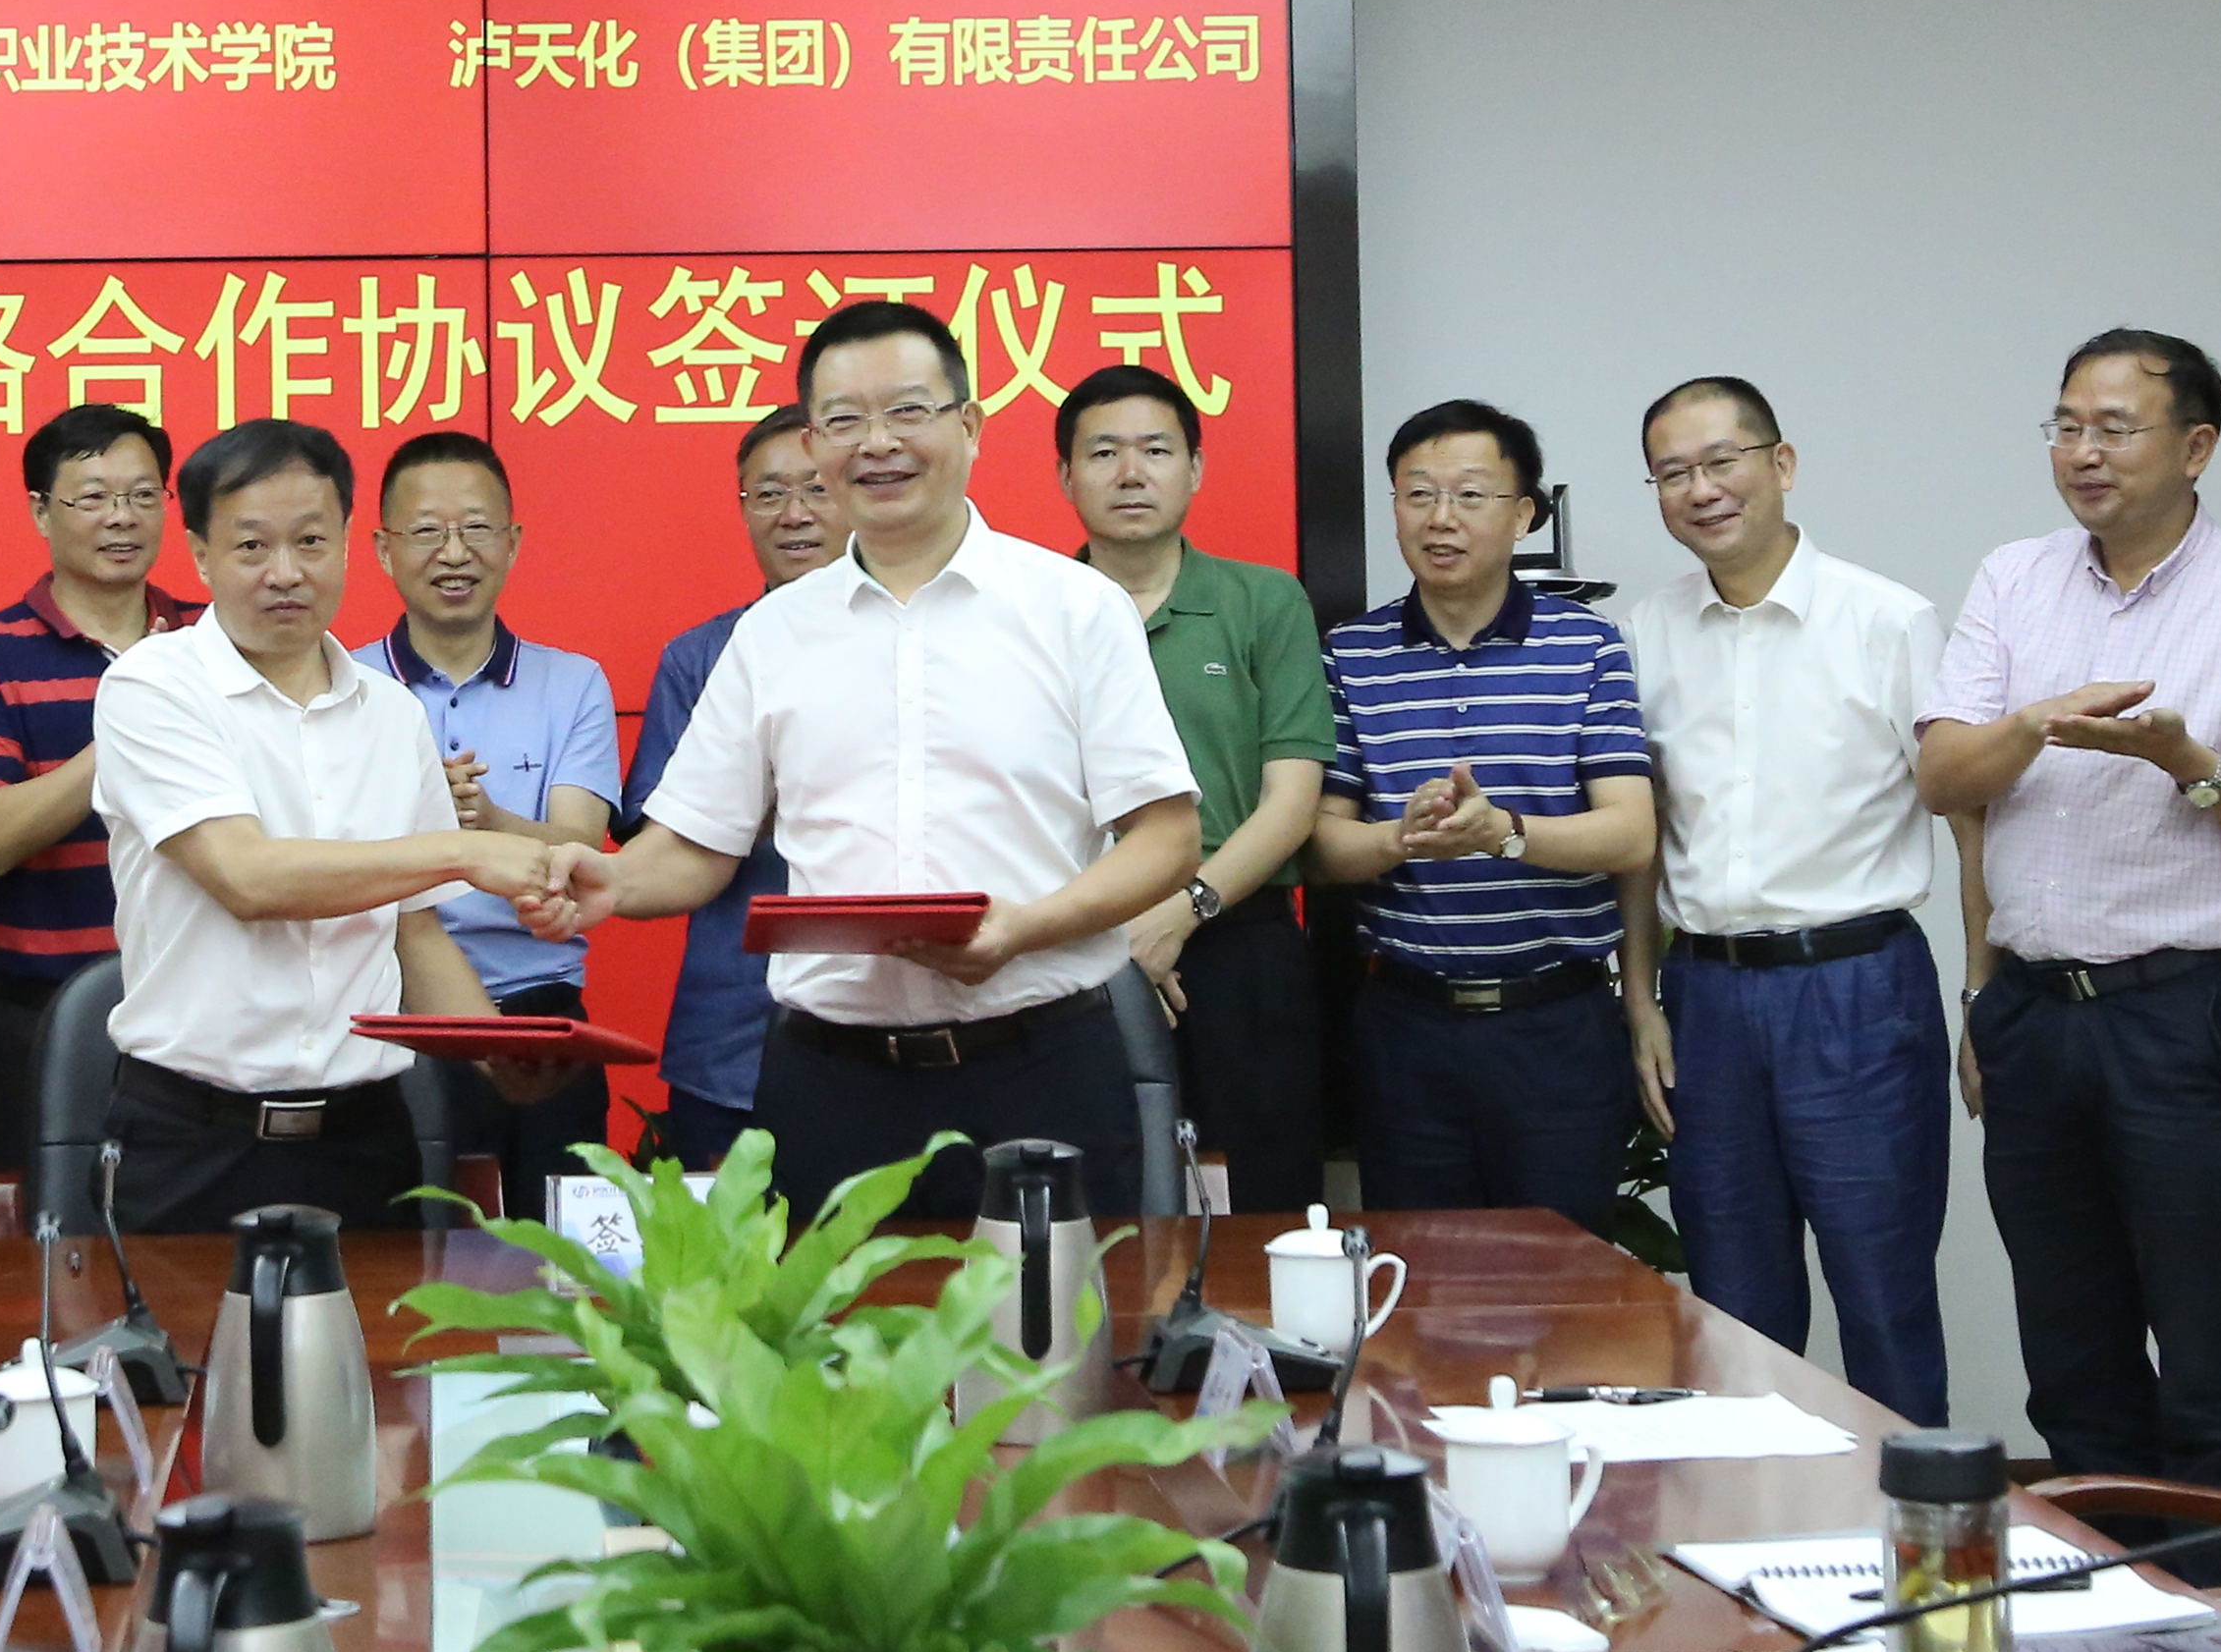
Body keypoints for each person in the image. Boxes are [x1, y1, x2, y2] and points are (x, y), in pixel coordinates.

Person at [560, 303, 1202, 1222]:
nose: (877, 443)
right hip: (831, 1085)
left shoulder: (1074, 607)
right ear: (813, 443)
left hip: (1039, 1068)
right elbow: (696, 846)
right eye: (843, 420)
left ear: (968, 425)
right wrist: (609, 882)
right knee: (830, 1320)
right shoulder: (772, 634)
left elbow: (1167, 838)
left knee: (1046, 1318)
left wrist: (1024, 927)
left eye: (907, 410)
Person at [1918, 330, 2221, 1502]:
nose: (2082, 451)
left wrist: (2186, 761)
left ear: (2195, 446)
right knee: (2072, 1357)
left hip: (2188, 1012)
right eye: (2065, 425)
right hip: (2032, 1013)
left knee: (2208, 1352)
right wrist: (2037, 720)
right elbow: (1944, 777)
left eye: (2114, 427)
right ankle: (2111, 1605)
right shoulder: (2013, 578)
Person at [88, 419, 570, 1234]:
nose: (286, 571)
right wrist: (464, 850)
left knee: (378, 1328)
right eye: (251, 546)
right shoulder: (151, 686)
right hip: (190, 1140)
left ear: (347, 543)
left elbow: (412, 930)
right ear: (200, 555)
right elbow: (246, 877)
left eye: (310, 541)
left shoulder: (391, 712)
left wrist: (496, 1054)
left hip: (365, 1137)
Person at [1618, 376, 1956, 1426]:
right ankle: (1754, 1524)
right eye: (1671, 473)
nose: (1700, 489)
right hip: (1707, 997)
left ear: (1781, 462)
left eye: (1721, 460)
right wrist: (1640, 999)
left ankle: (1911, 1525)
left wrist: (1982, 990)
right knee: (1733, 1309)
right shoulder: (1644, 631)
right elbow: (1638, 838)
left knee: (1883, 1295)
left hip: (1856, 988)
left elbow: (1970, 814)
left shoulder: (1887, 618)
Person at [1311, 399, 1657, 1227]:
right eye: (1417, 494)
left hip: (1556, 1024)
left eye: (1470, 494)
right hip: (1407, 1027)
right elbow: (1320, 848)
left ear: (1523, 514)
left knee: (1562, 1274)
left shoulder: (1587, 645)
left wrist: (1502, 833)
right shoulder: (1350, 652)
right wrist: (1400, 838)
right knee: (1420, 1273)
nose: (1441, 518)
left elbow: (1630, 832)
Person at [1056, 364, 1338, 1214]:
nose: (1129, 472)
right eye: (1102, 452)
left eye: (1154, 450)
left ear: (1195, 467)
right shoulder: (1032, 610)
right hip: (1078, 945)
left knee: (1259, 1199)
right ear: (1065, 475)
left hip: (1238, 941)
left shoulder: (1263, 601)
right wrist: (1115, 930)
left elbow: (1291, 800)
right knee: (1097, 1202)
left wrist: (1182, 912)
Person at [0, 404, 200, 1180]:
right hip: (43, 1015)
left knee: (195, 1242)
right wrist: (130, 724)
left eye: (143, 495)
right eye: (94, 497)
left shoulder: (215, 642)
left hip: (205, 1010)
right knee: (34, 1247)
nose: (122, 517)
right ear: (41, 511)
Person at [355, 430, 623, 1218]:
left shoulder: (572, 682)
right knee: (408, 1253)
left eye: (475, 528)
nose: (453, 552)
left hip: (539, 1006)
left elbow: (582, 845)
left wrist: (489, 821)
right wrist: (426, 819)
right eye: (426, 531)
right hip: (393, 1008)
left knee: (566, 1257)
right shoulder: (344, 684)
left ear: (512, 542)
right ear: (383, 549)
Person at [623, 408, 840, 1169]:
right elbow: (657, 833)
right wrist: (759, 796)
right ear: (743, 508)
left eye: (815, 488)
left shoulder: (917, 645)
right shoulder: (698, 657)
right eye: (768, 493)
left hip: (878, 1022)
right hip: (729, 1028)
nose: (793, 513)